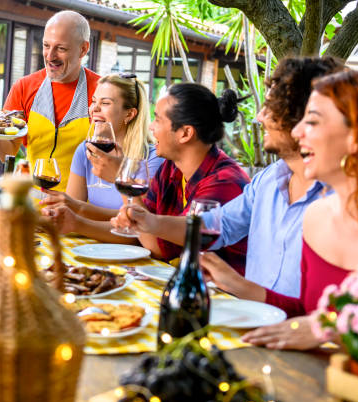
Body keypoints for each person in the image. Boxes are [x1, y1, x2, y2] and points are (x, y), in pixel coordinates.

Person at [113, 57, 344, 292]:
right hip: (249, 317)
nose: (259, 117)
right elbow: (220, 225)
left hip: (281, 323)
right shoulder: (269, 180)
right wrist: (149, 221)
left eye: (271, 108)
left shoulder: (342, 199)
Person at [235, 70, 358, 350]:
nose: (297, 132)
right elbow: (308, 315)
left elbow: (321, 325)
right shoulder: (317, 217)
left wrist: (332, 329)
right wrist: (237, 285)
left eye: (313, 122)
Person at [109, 83, 250, 269]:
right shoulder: (170, 168)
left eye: (157, 120)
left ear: (185, 133)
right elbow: (143, 222)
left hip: (222, 294)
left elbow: (158, 248)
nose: (151, 127)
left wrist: (124, 182)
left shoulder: (225, 182)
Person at [38, 74, 164, 239]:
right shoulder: (85, 151)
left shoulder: (153, 159)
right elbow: (71, 212)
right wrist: (56, 216)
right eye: (93, 101)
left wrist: (78, 213)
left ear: (130, 114)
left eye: (105, 103)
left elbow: (138, 226)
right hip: (92, 247)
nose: (94, 109)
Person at [0, 10, 100, 192]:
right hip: (32, 206)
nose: (50, 56)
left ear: (83, 49)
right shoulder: (24, 87)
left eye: (61, 48)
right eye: (46, 45)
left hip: (79, 209)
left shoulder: (100, 91)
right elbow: (7, 153)